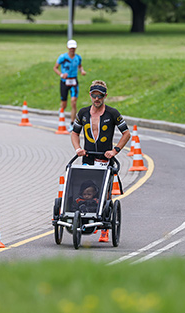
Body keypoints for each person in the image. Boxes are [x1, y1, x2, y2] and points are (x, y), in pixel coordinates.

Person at [71, 80, 131, 242]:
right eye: (94, 95)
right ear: (90, 95)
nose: (97, 99)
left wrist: (115, 150)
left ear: (105, 96)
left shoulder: (112, 113)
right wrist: (78, 149)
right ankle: (83, 217)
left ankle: (104, 228)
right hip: (88, 157)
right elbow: (74, 133)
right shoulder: (83, 113)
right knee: (86, 189)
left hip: (105, 159)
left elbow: (126, 133)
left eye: (100, 96)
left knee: (105, 192)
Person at [53, 39, 86, 131]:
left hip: (74, 81)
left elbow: (80, 66)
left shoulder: (78, 58)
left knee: (73, 102)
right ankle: (61, 111)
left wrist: (82, 71)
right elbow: (55, 67)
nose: (72, 49)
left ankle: (72, 123)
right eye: (71, 48)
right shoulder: (63, 57)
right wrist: (61, 74)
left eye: (74, 48)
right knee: (64, 103)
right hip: (64, 81)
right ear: (68, 48)